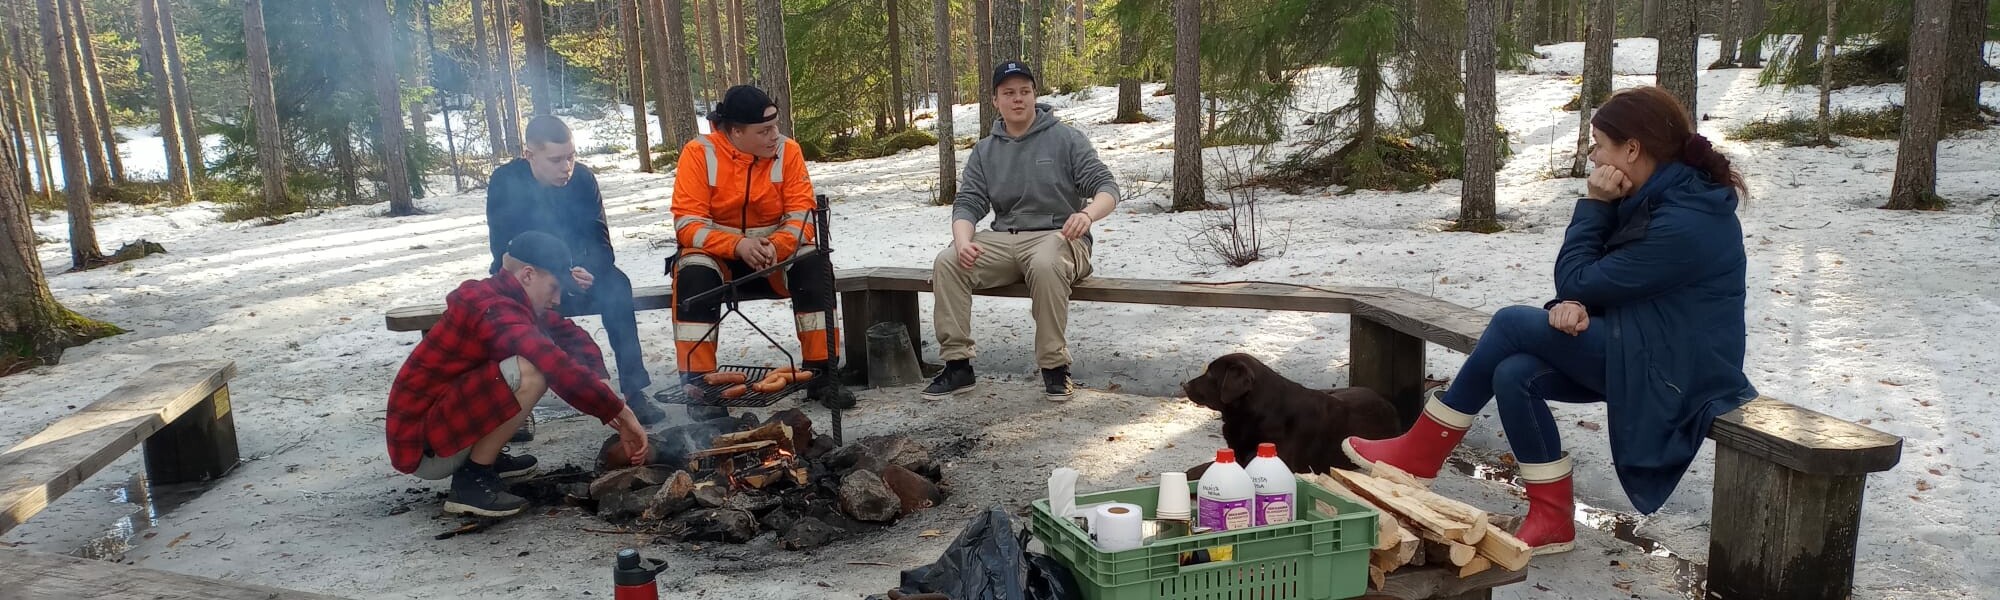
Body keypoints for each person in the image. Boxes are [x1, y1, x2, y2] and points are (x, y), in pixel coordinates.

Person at [1342, 86, 1758, 555]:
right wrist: (1578, 303)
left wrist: (1595, 212)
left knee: (1511, 324)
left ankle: (1420, 454)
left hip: (1681, 371)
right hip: (1643, 343)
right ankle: (1552, 519)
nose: (1593, 154)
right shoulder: (1661, 197)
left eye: (1600, 144)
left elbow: (1581, 275)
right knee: (1514, 372)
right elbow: (1606, 281)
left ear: (1632, 149)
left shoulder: (1686, 220)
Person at [388, 231, 650, 518]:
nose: (558, 299)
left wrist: (600, 381)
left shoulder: (510, 299)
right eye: (553, 287)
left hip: (441, 429)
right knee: (533, 371)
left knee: (528, 365)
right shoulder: (492, 307)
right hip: (424, 448)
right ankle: (472, 482)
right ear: (528, 275)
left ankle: (484, 456)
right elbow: (554, 364)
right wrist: (620, 412)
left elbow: (573, 337)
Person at [923, 60, 1120, 402]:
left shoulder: (1065, 139)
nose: (1018, 99)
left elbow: (1107, 188)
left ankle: (1054, 367)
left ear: (1034, 95)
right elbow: (968, 203)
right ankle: (958, 366)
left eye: (1025, 92)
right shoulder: (985, 150)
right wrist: (963, 240)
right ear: (996, 100)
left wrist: (1087, 215)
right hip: (1004, 238)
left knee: (1046, 263)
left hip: (1060, 236)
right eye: (1009, 93)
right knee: (948, 261)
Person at [669, 85, 855, 409]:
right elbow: (688, 224)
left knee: (815, 264)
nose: (775, 136)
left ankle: (823, 375)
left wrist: (777, 246)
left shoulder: (789, 152)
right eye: (764, 130)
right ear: (735, 132)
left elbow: (802, 214)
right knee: (692, 275)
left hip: (773, 257)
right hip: (718, 258)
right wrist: (737, 245)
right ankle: (698, 388)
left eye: (776, 126)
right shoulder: (699, 153)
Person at [486, 115, 663, 425]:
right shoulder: (505, 182)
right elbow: (504, 252)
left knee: (617, 286)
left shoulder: (582, 179)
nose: (566, 166)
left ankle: (635, 391)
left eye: (571, 156)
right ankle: (511, 404)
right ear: (530, 155)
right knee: (505, 305)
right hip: (527, 280)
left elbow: (601, 242)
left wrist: (586, 270)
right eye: (556, 159)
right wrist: (558, 274)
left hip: (579, 275)